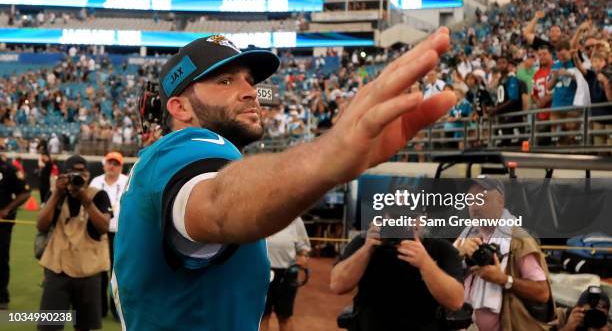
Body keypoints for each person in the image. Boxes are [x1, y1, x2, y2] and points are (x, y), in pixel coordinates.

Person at [112, 29, 456, 331]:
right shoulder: (187, 148)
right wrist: (325, 155)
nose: (250, 92)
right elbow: (216, 204)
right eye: (225, 80)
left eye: (249, 80)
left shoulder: (158, 163)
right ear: (180, 108)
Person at [330, 215, 464, 330]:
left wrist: (425, 263)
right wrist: (366, 249)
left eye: (409, 217)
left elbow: (455, 302)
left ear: (422, 219)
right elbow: (337, 285)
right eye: (395, 217)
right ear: (384, 217)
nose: (402, 222)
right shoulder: (366, 242)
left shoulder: (440, 248)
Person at [454, 177, 553, 331]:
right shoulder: (466, 235)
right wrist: (458, 256)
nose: (474, 206)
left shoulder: (519, 241)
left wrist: (503, 280)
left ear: (500, 201)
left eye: (482, 199)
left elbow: (542, 293)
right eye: (470, 200)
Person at [36, 155, 112, 331]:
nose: (80, 176)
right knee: (50, 326)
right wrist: (56, 193)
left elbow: (103, 227)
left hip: (88, 270)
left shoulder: (98, 194)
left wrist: (85, 199)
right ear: (64, 174)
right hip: (57, 268)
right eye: (75, 172)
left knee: (84, 326)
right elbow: (41, 225)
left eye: (83, 171)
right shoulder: (56, 194)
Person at [89, 151, 128, 319]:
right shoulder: (96, 182)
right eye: (109, 163)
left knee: (117, 274)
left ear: (120, 166)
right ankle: (100, 309)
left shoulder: (127, 181)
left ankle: (116, 309)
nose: (112, 166)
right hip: (99, 234)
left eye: (116, 163)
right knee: (98, 272)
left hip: (120, 235)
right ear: (104, 164)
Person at [260, 217, 311, 331]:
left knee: (285, 316)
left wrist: (303, 256)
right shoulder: (260, 214)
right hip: (262, 272)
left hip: (287, 273)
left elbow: (304, 248)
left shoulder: (295, 219)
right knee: (262, 315)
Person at [0, 153, 31, 310]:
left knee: (1, 258)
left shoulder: (9, 169)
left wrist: (7, 209)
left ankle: (2, 297)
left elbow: (25, 192)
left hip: (2, 222)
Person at [488, 57, 528, 146]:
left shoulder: (512, 79)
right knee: (505, 142)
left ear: (508, 65)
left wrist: (496, 110)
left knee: (515, 144)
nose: (501, 65)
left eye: (503, 62)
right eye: (499, 63)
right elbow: (501, 98)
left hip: (513, 117)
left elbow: (513, 99)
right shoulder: (501, 80)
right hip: (503, 117)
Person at [546, 40, 578, 145]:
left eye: (563, 54)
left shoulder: (575, 63)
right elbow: (549, 87)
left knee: (571, 136)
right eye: (559, 55)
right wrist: (555, 77)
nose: (561, 57)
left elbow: (585, 82)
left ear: (569, 51)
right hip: (557, 105)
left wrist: (570, 75)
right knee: (556, 139)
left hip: (572, 105)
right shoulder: (555, 65)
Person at [532, 44, 554, 146]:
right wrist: (538, 102)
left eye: (544, 54)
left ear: (551, 54)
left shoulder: (556, 68)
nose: (542, 57)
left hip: (555, 112)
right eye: (540, 55)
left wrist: (548, 98)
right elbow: (533, 93)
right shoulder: (536, 74)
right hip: (542, 115)